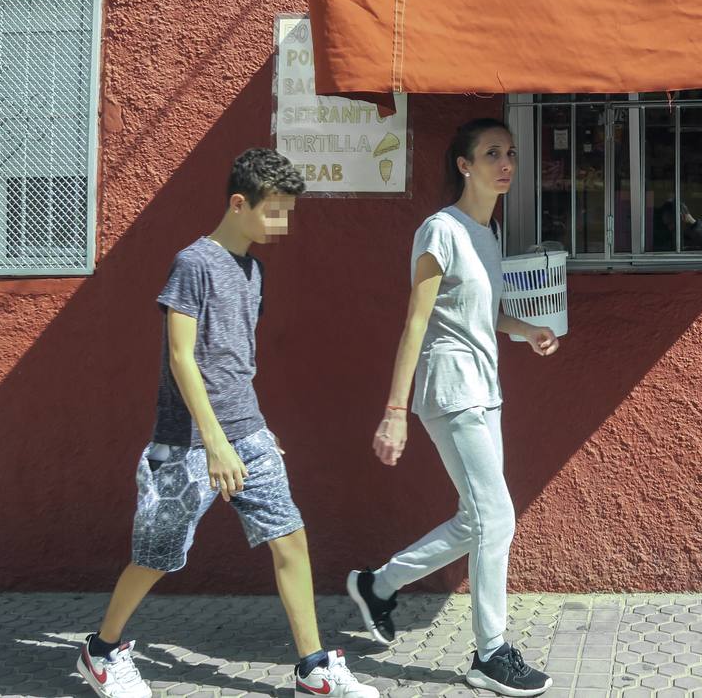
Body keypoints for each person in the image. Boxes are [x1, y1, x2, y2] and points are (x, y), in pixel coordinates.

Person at [75, 149, 376, 698]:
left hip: (247, 433)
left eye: (288, 211)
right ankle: (100, 652)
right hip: (187, 440)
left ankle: (312, 665)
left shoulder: (254, 270)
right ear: (239, 203)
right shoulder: (194, 263)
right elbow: (182, 357)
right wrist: (214, 441)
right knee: (157, 556)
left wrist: (255, 428)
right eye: (274, 212)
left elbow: (233, 359)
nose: (282, 224)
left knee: (290, 538)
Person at [346, 119, 560, 697]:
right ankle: (490, 653)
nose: (505, 162)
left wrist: (526, 330)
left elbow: (482, 316)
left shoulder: (486, 234)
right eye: (491, 153)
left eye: (510, 152)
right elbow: (416, 322)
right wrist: (394, 409)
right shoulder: (439, 231)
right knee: (498, 517)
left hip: (485, 389)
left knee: (477, 518)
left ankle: (378, 586)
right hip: (450, 389)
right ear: (464, 165)